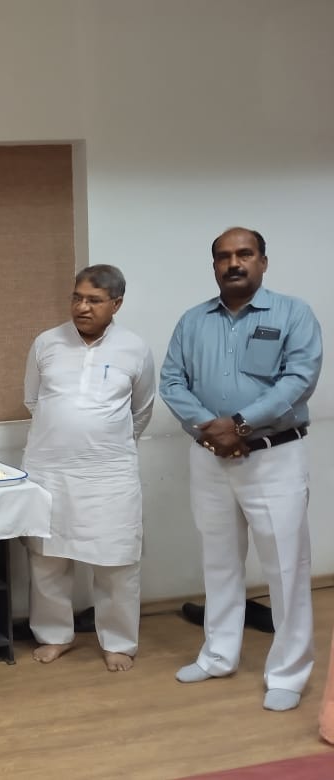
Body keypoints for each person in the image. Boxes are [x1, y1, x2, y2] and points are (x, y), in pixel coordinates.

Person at [160, 227, 322, 712]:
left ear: (263, 262)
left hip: (273, 456)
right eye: (224, 256)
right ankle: (218, 654)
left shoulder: (294, 314)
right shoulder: (193, 321)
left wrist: (241, 424)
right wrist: (209, 430)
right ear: (214, 266)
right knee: (219, 559)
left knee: (286, 568)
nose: (234, 263)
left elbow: (300, 378)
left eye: (244, 254)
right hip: (209, 456)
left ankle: (289, 672)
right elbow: (172, 380)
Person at [22, 264, 155, 672]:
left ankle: (118, 643)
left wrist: (98, 442)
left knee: (116, 562)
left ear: (116, 304)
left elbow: (142, 410)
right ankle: (54, 635)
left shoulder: (135, 348)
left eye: (94, 300)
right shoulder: (46, 343)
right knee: (47, 559)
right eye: (77, 297)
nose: (82, 306)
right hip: (49, 470)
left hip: (109, 474)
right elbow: (33, 401)